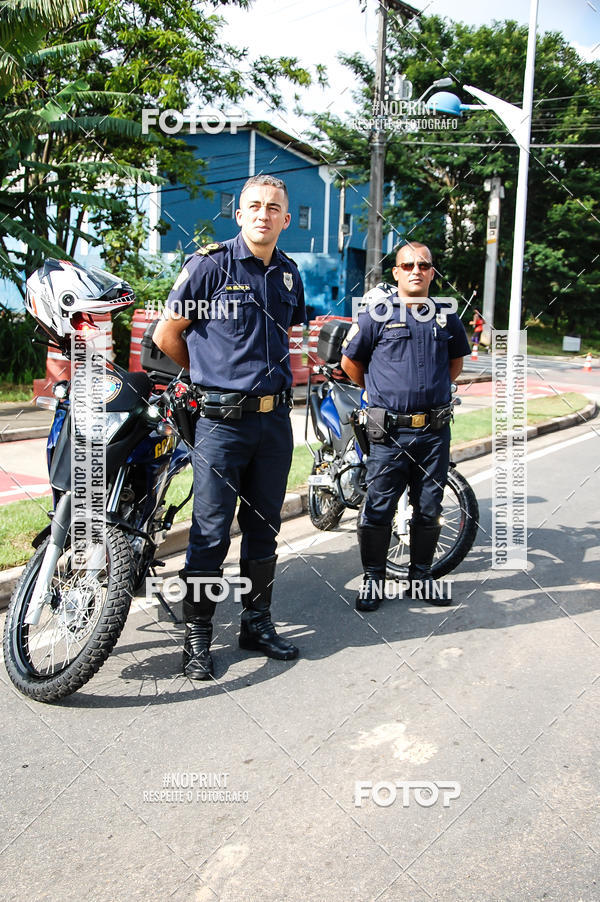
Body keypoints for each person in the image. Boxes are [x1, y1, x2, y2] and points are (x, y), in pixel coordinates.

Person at [153, 174, 305, 679]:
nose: (264, 214)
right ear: (239, 214)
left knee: (265, 528)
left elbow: (286, 337)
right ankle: (197, 638)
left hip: (275, 424)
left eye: (274, 208)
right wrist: (204, 380)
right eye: (254, 206)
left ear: (285, 219)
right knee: (211, 532)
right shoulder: (209, 265)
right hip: (221, 424)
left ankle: (256, 624)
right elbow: (167, 333)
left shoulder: (288, 274)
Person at [340, 241, 471, 611]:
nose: (416, 270)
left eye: (424, 265)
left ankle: (421, 576)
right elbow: (352, 363)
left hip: (433, 433)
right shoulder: (375, 315)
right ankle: (373, 579)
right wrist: (382, 392)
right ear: (396, 272)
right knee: (379, 507)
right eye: (408, 264)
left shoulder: (447, 317)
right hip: (389, 433)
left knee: (428, 507)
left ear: (432, 272)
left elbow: (455, 363)